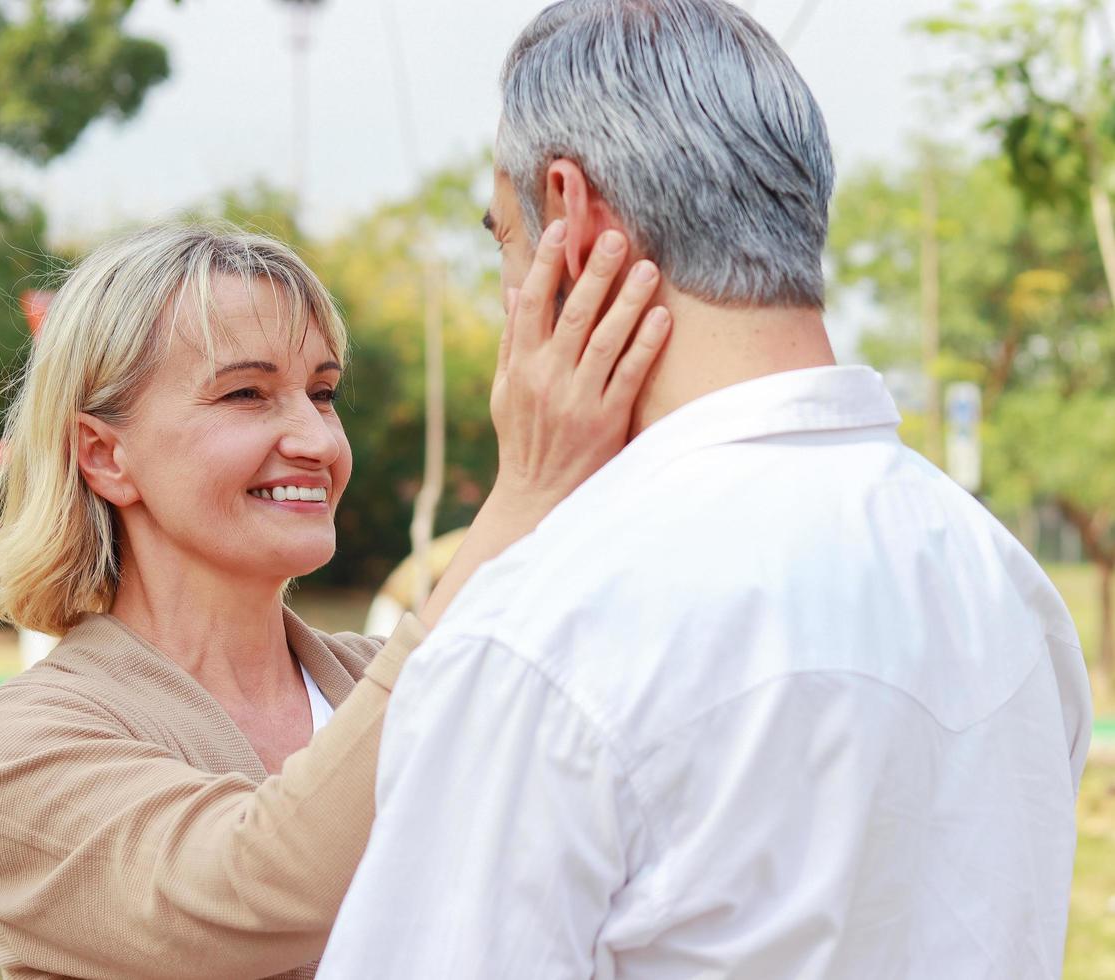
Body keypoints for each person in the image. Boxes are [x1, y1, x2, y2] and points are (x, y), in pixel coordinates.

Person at [317, 2, 1093, 977]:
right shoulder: (1006, 585)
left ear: (572, 212)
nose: (509, 293)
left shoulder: (544, 628)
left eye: (506, 242)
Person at [0, 220, 671, 980]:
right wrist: (525, 498)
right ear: (105, 455)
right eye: (247, 393)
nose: (317, 441)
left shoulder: (384, 674)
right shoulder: (11, 747)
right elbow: (256, 891)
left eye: (321, 393)